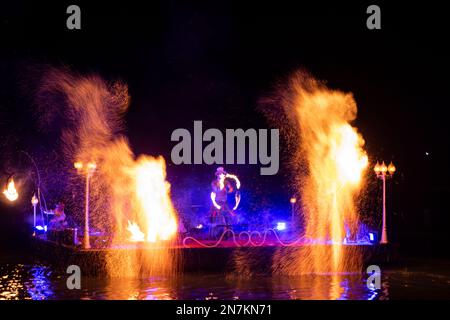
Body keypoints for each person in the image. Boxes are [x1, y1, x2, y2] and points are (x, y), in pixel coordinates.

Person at [209, 167, 241, 237]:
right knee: (219, 219)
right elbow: (216, 190)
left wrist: (229, 190)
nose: (222, 174)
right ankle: (218, 235)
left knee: (228, 218)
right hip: (217, 203)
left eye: (223, 173)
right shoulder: (214, 182)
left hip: (225, 202)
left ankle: (228, 235)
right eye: (220, 173)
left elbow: (231, 189)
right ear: (217, 175)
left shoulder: (226, 182)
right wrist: (221, 183)